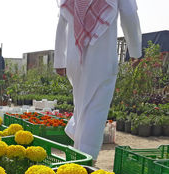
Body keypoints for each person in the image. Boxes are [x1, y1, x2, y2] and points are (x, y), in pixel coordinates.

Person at [54, 0, 142, 161]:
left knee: (82, 106)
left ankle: (78, 155)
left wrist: (60, 59)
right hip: (101, 53)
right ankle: (86, 161)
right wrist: (135, 50)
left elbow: (63, 18)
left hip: (75, 52)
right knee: (96, 108)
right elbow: (129, 14)